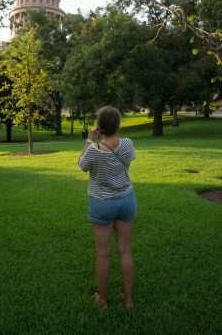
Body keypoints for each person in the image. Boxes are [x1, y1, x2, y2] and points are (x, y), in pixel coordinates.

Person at [78, 106, 137, 310]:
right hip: (126, 200)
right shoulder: (128, 144)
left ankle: (102, 301)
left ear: (99, 127)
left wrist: (89, 140)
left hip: (102, 203)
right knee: (125, 250)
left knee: (103, 254)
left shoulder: (94, 151)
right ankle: (128, 300)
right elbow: (129, 160)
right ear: (118, 124)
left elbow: (81, 164)